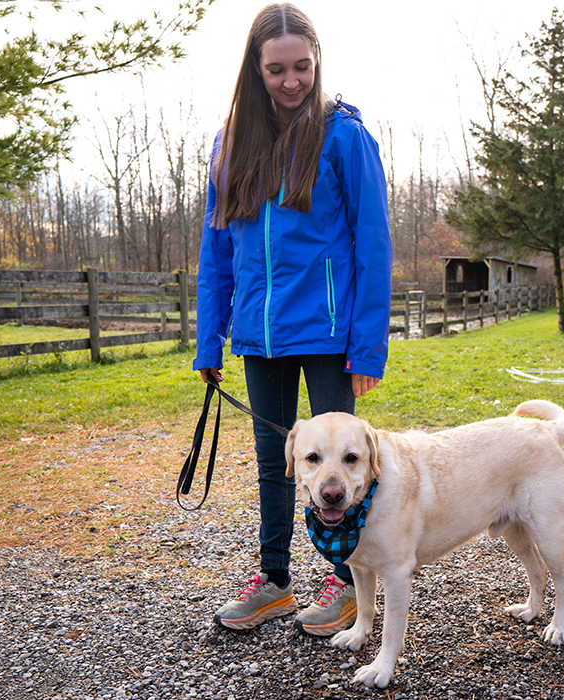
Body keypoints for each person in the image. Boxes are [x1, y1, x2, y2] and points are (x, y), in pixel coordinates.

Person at [193, 2, 392, 636]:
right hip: (259, 335)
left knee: (341, 463)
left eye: (301, 66)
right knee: (276, 463)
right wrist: (209, 340)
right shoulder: (231, 144)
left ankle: (344, 586)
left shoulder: (344, 137)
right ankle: (274, 581)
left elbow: (374, 245)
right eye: (276, 69)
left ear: (316, 62)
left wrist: (368, 349)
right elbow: (216, 251)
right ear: (255, 69)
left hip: (330, 335)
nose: (291, 80)